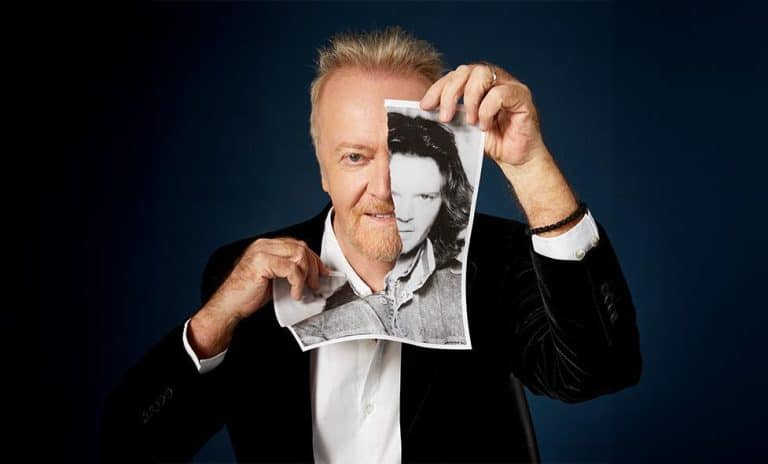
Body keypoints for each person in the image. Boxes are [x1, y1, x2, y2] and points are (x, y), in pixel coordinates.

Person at [102, 27, 642, 463]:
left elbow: (601, 371)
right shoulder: (247, 278)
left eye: (408, 152)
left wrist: (529, 165)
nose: (385, 187)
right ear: (323, 171)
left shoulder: (496, 261)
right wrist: (213, 323)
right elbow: (133, 444)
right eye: (356, 157)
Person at [291, 113, 472, 348]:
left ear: (445, 203)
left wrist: (521, 167)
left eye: (425, 197)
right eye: (396, 193)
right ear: (324, 172)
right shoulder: (253, 275)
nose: (404, 214)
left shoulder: (480, 285)